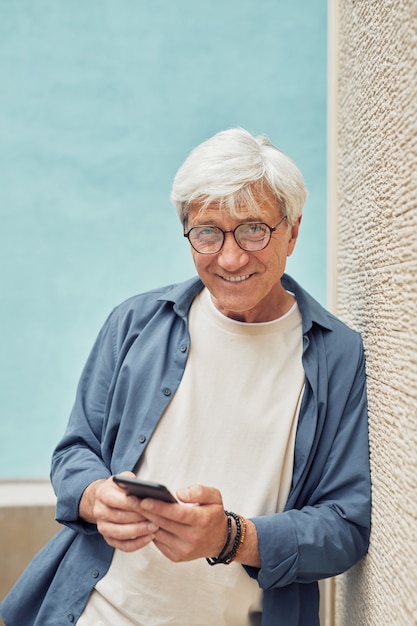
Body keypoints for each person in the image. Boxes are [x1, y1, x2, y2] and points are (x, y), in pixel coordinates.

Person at [0, 128, 371, 626]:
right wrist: (96, 497)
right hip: (95, 612)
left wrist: (231, 538)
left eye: (253, 229)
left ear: (293, 231)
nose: (231, 257)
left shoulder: (338, 355)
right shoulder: (133, 323)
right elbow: (74, 453)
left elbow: (345, 527)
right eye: (208, 232)